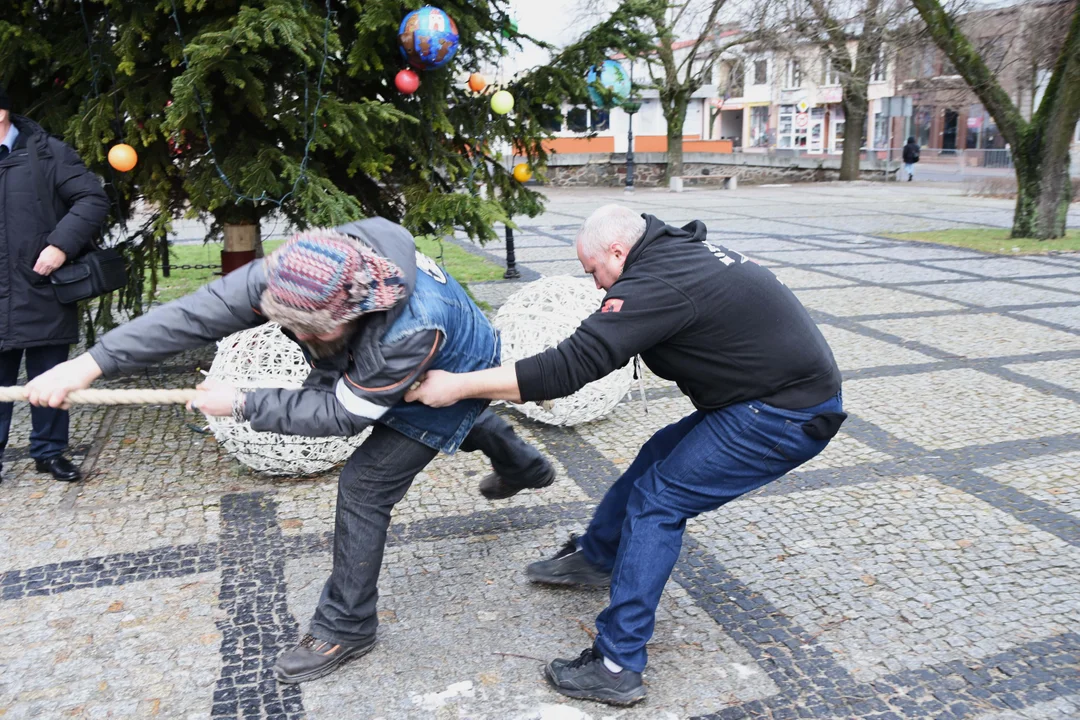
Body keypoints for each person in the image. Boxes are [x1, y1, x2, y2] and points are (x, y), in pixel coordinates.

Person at [26, 220, 555, 684]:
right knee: (400, 406)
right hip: (389, 352)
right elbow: (197, 313)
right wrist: (88, 365)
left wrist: (242, 402)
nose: (296, 336)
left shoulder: (406, 332)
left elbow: (341, 414)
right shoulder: (303, 271)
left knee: (368, 482)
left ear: (354, 310)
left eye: (305, 330)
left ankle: (346, 627)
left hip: (459, 365)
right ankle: (522, 463)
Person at [406, 204, 846, 706]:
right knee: (655, 457)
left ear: (619, 251)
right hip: (764, 399)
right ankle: (599, 557)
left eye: (595, 271)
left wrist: (459, 386)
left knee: (658, 504)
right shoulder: (673, 253)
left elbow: (567, 369)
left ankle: (617, 666)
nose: (595, 285)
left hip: (781, 415)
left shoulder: (657, 284)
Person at [0, 84, 109, 483]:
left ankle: (49, 453)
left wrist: (60, 247)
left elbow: (92, 200)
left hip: (41, 287)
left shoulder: (48, 152)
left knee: (49, 380)